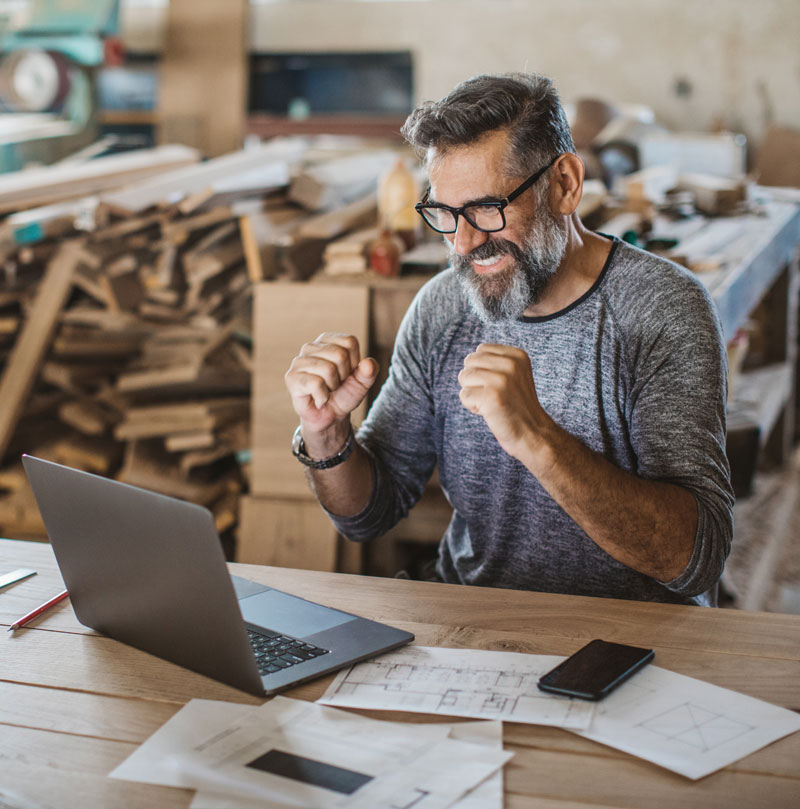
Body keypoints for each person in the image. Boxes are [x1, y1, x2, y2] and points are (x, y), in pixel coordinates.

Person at [284, 72, 734, 606]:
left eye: (486, 209)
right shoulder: (443, 306)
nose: (465, 243)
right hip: (477, 618)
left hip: (633, 637)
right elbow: (369, 514)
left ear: (565, 183)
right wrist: (326, 434)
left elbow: (695, 559)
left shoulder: (660, 308)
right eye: (446, 214)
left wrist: (537, 437)